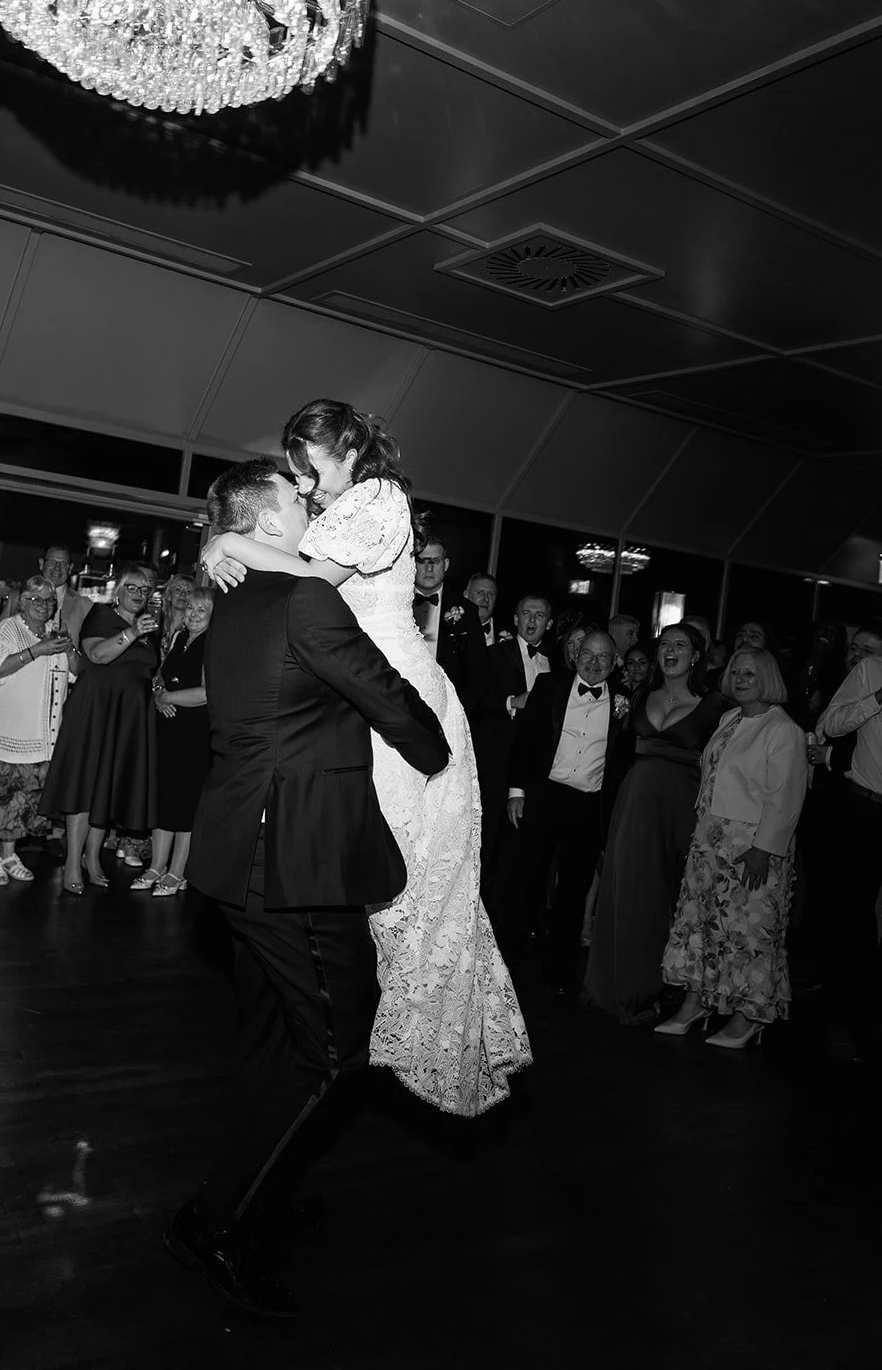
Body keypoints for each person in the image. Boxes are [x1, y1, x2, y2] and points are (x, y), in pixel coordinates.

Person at [167, 458, 450, 1317]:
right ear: (264, 524)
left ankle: (250, 1187)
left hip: (236, 856)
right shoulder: (300, 598)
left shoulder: (238, 596)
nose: (312, 503)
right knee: (335, 1052)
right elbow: (384, 696)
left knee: (272, 1043)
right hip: (288, 861)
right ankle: (214, 1226)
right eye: (297, 499)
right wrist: (441, 753)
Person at [202, 400, 530, 1117]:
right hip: (349, 691)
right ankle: (310, 1053)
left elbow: (308, 584)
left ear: (348, 450)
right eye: (295, 474)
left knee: (411, 884)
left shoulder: (380, 498)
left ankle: (384, 1037)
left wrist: (225, 545)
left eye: (308, 467)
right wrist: (225, 545)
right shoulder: (335, 511)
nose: (305, 484)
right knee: (356, 876)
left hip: (394, 697)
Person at [658, 649, 806, 1048]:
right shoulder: (730, 719)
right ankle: (696, 1002)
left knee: (748, 934)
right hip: (711, 839)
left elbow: (786, 799)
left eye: (751, 674)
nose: (740, 679)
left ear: (768, 679)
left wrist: (764, 849)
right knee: (700, 925)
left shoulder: (783, 730)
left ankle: (748, 1016)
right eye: (736, 672)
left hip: (753, 847)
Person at [583, 624, 726, 1024]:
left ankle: (662, 987)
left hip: (684, 809)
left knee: (670, 900)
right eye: (664, 644)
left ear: (696, 656)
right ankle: (617, 987)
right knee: (627, 892)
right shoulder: (639, 695)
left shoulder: (715, 705)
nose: (670, 650)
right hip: (634, 805)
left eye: (680, 645)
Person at [506, 632, 625, 990]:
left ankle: (559, 973)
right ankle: (507, 966)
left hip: (589, 806)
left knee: (574, 892)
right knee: (525, 881)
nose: (593, 662)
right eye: (588, 654)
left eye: (603, 657)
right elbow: (524, 739)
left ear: (614, 661)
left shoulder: (625, 700)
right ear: (576, 656)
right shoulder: (549, 685)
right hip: (544, 796)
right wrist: (517, 791)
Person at [39, 562, 160, 894]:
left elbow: (146, 671)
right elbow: (97, 655)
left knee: (105, 788)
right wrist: (133, 633)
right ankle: (71, 863)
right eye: (131, 587)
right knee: (84, 785)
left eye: (144, 589)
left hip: (127, 718)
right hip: (96, 712)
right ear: (118, 591)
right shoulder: (102, 617)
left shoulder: (150, 628)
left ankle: (92, 860)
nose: (139, 594)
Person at [0, 575, 79, 884]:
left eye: (48, 601)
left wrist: (69, 649)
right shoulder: (10, 628)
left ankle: (10, 853)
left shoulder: (54, 632)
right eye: (36, 600)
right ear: (23, 602)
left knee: (23, 799)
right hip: (7, 731)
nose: (43, 606)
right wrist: (38, 650)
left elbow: (77, 674)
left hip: (39, 736)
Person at [815, 640, 882, 1060]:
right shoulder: (872, 670)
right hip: (866, 809)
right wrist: (876, 700)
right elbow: (830, 725)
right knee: (851, 917)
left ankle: (872, 1015)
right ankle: (838, 1022)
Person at [133, 586, 213, 897]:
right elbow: (162, 678)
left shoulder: (212, 644)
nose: (192, 614)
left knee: (186, 805)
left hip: (194, 734)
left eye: (201, 611)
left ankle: (177, 872)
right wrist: (157, 696)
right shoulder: (180, 637)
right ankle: (156, 866)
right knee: (164, 799)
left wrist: (169, 697)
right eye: (190, 608)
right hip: (168, 729)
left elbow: (207, 693)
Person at [472, 594, 552, 899]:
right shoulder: (493, 655)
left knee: (517, 849)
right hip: (495, 765)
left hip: (532, 770)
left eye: (540, 615)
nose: (532, 621)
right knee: (486, 839)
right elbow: (472, 703)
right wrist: (510, 702)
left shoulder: (552, 662)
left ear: (549, 623)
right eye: (526, 613)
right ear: (515, 618)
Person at [411, 532, 487, 716]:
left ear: (445, 565)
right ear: (412, 564)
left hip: (449, 711)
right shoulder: (396, 603)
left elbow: (479, 671)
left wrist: (458, 713)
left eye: (435, 561)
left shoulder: (467, 611)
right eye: (422, 561)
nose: (429, 568)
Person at [464, 571, 499, 646]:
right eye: (480, 592)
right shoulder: (449, 628)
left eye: (490, 594)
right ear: (466, 595)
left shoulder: (508, 633)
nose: (486, 599)